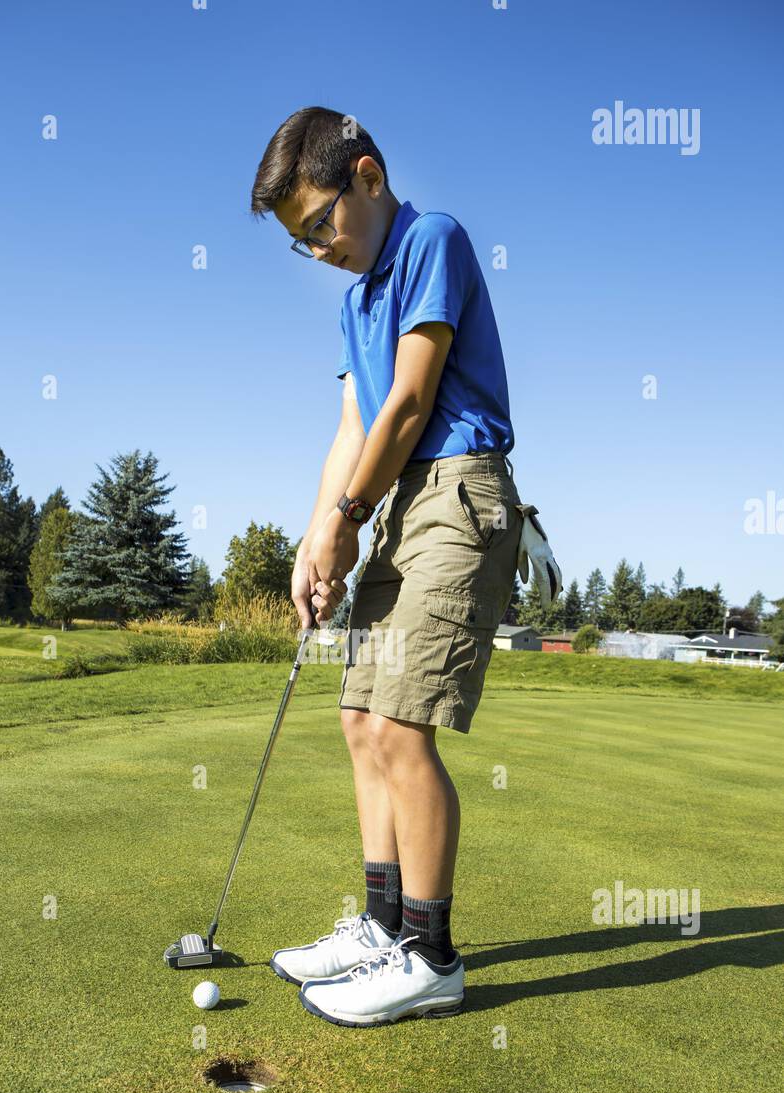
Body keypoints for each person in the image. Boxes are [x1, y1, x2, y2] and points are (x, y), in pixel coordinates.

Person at [249, 106, 561, 1026]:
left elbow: (416, 398)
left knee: (400, 727)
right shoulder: (353, 303)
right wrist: (315, 539)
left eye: (320, 227)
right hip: (390, 499)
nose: (318, 252)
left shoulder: (433, 239)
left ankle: (431, 956)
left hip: (457, 495)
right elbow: (353, 429)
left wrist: (348, 519)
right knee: (357, 719)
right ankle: (383, 925)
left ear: (368, 179)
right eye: (299, 243)